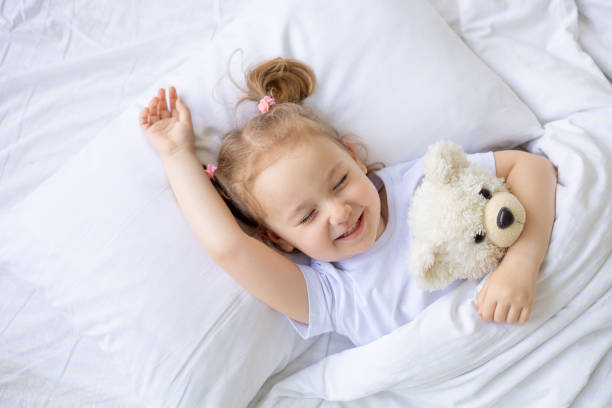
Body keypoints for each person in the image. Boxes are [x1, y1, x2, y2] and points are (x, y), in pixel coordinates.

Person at [139, 58, 557, 346]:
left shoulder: (423, 182)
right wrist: (176, 155)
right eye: (306, 216)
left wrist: (522, 262)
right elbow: (228, 248)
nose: (339, 212)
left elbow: (531, 169)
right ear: (279, 240)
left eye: (339, 181)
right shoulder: (333, 294)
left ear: (353, 156)